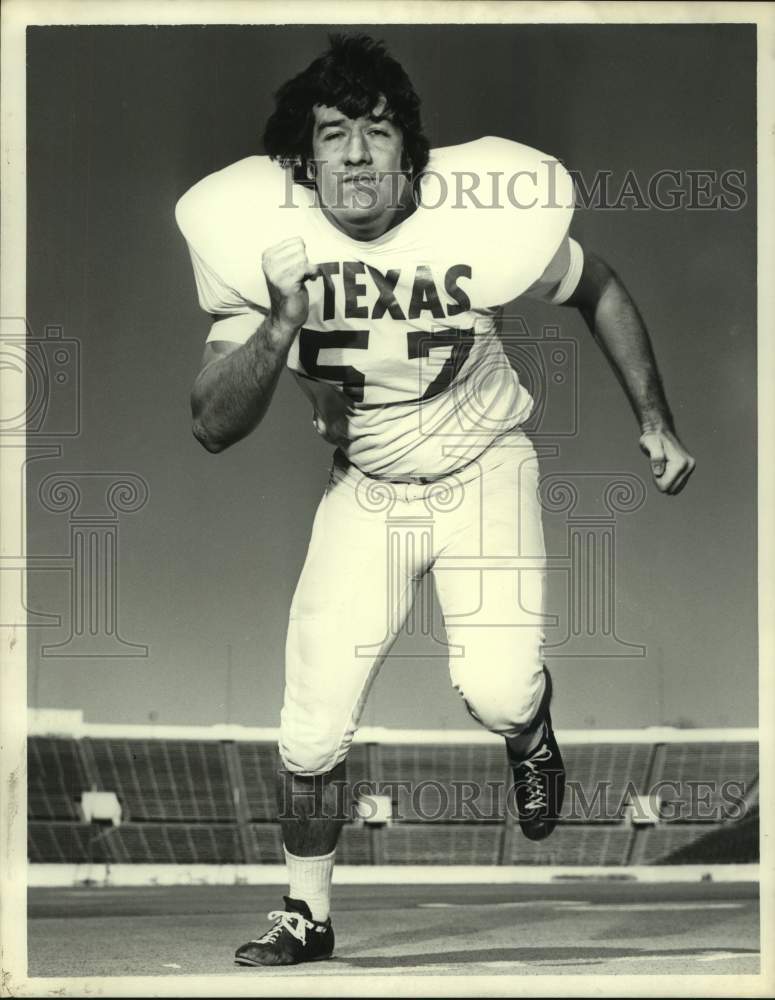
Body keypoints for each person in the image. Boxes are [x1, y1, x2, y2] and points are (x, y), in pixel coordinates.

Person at [176, 34, 695, 966]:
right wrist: (283, 320)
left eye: (378, 132)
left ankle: (528, 728)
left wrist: (652, 417)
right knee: (310, 722)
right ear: (302, 159)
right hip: (366, 491)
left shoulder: (470, 224)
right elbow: (211, 422)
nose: (359, 154)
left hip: (486, 467)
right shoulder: (264, 246)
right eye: (334, 135)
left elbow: (599, 285)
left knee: (494, 690)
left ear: (410, 151)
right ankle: (307, 912)